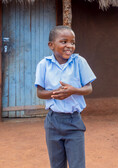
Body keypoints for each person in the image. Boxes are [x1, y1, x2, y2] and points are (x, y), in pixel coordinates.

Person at [35, 25, 96, 168]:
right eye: (64, 41)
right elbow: (40, 92)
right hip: (53, 122)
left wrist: (73, 90)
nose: (69, 46)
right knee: (56, 165)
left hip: (74, 121)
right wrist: (56, 93)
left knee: (77, 165)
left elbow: (88, 88)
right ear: (51, 45)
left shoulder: (79, 62)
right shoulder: (43, 65)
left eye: (72, 42)